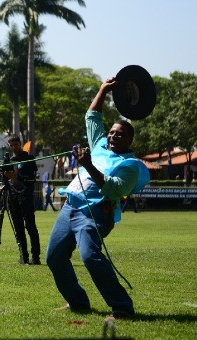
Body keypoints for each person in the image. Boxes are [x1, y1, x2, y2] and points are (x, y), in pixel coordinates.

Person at [45, 78, 150, 319]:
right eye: (111, 132)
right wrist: (103, 90)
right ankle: (78, 302)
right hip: (69, 207)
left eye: (120, 134)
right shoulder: (100, 145)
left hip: (94, 214)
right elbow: (92, 117)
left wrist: (89, 165)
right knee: (54, 258)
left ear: (129, 140)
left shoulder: (130, 165)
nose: (113, 136)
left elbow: (114, 190)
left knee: (90, 257)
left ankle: (122, 307)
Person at [3, 135, 41, 265]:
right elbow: (6, 178)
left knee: (30, 226)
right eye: (11, 145)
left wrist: (17, 176)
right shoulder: (10, 160)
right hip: (12, 197)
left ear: (20, 144)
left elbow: (31, 178)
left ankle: (35, 256)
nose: (13, 147)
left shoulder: (29, 158)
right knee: (18, 228)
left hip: (26, 195)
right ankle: (23, 256)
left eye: (15, 144)